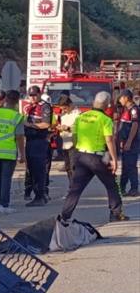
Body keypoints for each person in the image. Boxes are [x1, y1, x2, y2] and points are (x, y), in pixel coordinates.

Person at [59, 91, 128, 224]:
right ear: (107, 105)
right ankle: (115, 213)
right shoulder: (105, 120)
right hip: (98, 158)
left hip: (81, 156)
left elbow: (75, 137)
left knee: (75, 189)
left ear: (94, 103)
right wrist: (114, 159)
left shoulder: (81, 117)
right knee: (111, 185)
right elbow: (109, 140)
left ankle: (64, 216)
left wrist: (77, 153)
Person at [22, 85, 52, 206]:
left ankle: (40, 196)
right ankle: (38, 194)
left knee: (39, 170)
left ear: (39, 94)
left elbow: (46, 124)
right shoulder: (29, 107)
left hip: (39, 141)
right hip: (30, 141)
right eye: (31, 95)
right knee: (31, 170)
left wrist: (30, 125)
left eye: (35, 95)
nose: (33, 98)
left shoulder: (44, 106)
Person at [117, 89, 138, 196]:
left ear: (126, 98)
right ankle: (122, 188)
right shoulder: (126, 110)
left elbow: (134, 126)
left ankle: (134, 188)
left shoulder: (134, 110)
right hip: (125, 142)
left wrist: (129, 141)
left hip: (132, 143)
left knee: (131, 166)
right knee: (125, 167)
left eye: (120, 98)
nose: (119, 100)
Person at [57, 94, 79, 183]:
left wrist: (68, 128)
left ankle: (74, 189)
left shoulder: (77, 114)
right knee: (68, 167)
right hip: (65, 143)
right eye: (62, 109)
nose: (63, 110)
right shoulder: (63, 115)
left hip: (74, 145)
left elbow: (80, 129)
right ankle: (71, 186)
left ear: (70, 105)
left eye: (65, 108)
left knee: (74, 167)